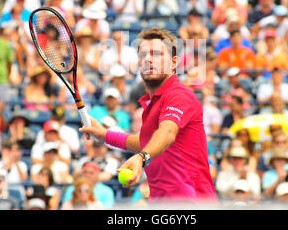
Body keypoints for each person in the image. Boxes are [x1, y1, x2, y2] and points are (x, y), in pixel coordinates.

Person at [80, 28, 217, 202]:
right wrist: (104, 135)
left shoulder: (179, 95)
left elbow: (167, 132)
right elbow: (148, 143)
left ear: (174, 63)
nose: (148, 59)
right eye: (143, 55)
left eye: (157, 54)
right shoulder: (152, 103)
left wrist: (141, 158)